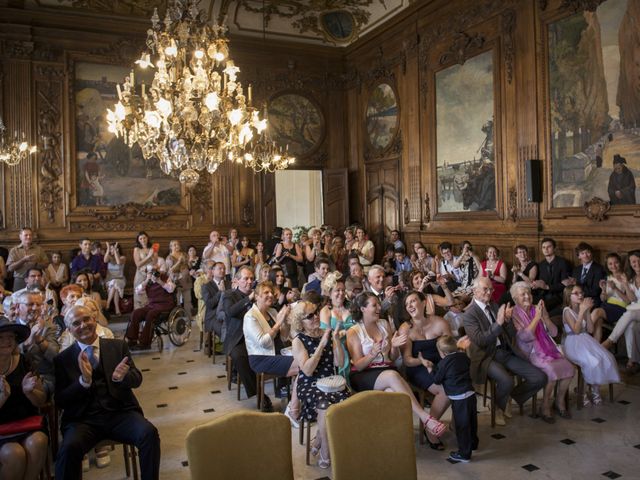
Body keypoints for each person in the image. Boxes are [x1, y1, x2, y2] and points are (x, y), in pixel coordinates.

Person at [54, 305, 161, 480]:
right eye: (76, 323)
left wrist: (122, 378)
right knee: (67, 449)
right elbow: (61, 400)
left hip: (119, 413)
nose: (83, 325)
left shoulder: (117, 347)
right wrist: (83, 382)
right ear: (69, 330)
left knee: (148, 433)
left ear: (95, 320)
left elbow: (137, 379)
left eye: (87, 319)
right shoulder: (63, 359)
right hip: (83, 421)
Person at [346, 292, 447, 438]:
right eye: (374, 305)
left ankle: (392, 438)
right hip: (364, 374)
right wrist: (372, 354)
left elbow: (392, 358)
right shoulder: (354, 332)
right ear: (363, 309)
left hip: (386, 370)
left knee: (392, 394)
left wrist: (393, 347)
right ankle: (426, 418)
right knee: (392, 375)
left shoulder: (384, 324)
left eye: (378, 304)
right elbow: (359, 365)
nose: (379, 308)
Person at [463, 277, 547, 426]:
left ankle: (508, 397)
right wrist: (499, 323)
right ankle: (498, 407)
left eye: (491, 289)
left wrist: (507, 321)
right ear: (475, 291)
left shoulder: (495, 306)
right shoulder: (470, 314)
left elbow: (511, 334)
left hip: (504, 351)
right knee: (506, 381)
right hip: (486, 356)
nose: (489, 292)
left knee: (539, 377)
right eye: (485, 289)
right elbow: (481, 340)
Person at [291, 301, 349, 469]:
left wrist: (336, 339)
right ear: (300, 322)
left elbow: (339, 362)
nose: (316, 317)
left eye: (316, 312)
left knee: (347, 403)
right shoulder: (298, 340)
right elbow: (307, 371)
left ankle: (317, 439)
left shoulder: (327, 333)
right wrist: (322, 345)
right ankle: (325, 450)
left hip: (331, 382)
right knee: (325, 406)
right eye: (310, 316)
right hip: (310, 384)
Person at [511, 282, 575, 422]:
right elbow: (525, 337)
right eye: (523, 294)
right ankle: (544, 406)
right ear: (515, 299)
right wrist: (537, 318)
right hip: (529, 351)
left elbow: (554, 332)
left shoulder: (537, 309)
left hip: (548, 349)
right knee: (551, 371)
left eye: (529, 293)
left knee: (569, 368)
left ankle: (559, 402)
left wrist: (545, 317)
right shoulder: (514, 313)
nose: (527, 296)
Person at [398, 291, 451, 449]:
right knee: (446, 391)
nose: (410, 306)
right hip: (418, 367)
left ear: (423, 303)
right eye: (407, 304)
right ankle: (430, 428)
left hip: (440, 364)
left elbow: (449, 349)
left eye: (413, 301)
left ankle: (459, 423)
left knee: (459, 381)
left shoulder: (440, 322)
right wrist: (420, 361)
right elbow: (406, 359)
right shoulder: (406, 328)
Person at [0, 317, 49, 480]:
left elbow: (41, 400)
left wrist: (29, 392)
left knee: (38, 441)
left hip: (26, 423)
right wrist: (2, 398)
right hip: (1, 430)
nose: (7, 341)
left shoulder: (24, 361)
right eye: (1, 337)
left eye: (11, 337)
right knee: (14, 454)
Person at [243, 281, 298, 412]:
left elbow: (284, 337)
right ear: (256, 296)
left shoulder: (272, 311)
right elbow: (263, 342)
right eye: (266, 293)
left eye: (271, 293)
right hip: (261, 358)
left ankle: (294, 401)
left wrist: (285, 321)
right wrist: (278, 323)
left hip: (279, 353)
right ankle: (294, 406)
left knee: (306, 360)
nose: (271, 295)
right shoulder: (250, 316)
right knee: (304, 365)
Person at [563, 285, 620, 405]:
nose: (580, 295)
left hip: (586, 340)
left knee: (605, 358)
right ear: (569, 296)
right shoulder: (567, 311)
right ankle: (582, 392)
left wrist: (587, 312)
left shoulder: (582, 308)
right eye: (576, 293)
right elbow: (576, 330)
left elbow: (589, 329)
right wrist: (582, 311)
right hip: (573, 343)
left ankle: (594, 391)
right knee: (591, 361)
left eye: (581, 292)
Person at [425, 335, 478, 463]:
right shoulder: (463, 356)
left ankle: (464, 454)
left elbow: (437, 380)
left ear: (442, 353)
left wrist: (430, 369)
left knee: (462, 425)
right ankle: (473, 444)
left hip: (459, 397)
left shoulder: (444, 363)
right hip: (470, 393)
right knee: (472, 421)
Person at [11, 290, 60, 397]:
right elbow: (9, 354)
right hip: (15, 376)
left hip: (43, 378)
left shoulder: (48, 327)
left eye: (38, 304)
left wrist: (39, 339)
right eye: (30, 304)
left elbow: (56, 358)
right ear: (18, 306)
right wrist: (29, 341)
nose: (35, 308)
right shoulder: (10, 327)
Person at [220, 266, 258, 400]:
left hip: (256, 336)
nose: (249, 281)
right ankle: (257, 393)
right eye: (246, 278)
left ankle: (281, 388)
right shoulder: (229, 295)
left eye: (252, 279)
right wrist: (248, 299)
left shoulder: (257, 294)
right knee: (239, 356)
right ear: (237, 280)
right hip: (238, 338)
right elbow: (230, 311)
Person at [602, 250, 640, 374]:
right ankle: (633, 360)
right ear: (630, 264)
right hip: (635, 311)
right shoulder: (633, 279)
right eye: (634, 262)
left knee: (629, 313)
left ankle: (610, 341)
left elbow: (630, 302)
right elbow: (633, 299)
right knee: (631, 325)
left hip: (634, 311)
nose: (637, 264)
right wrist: (626, 285)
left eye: (639, 261)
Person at [126, 263, 175, 350]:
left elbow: (171, 289)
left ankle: (145, 343)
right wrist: (146, 280)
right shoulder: (147, 282)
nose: (153, 274)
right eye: (150, 272)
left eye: (154, 271)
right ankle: (132, 339)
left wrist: (160, 281)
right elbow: (137, 291)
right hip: (152, 305)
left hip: (165, 305)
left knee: (151, 314)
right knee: (136, 313)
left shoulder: (164, 277)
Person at [319, 274, 355, 378]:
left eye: (343, 290)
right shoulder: (326, 311)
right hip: (336, 348)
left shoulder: (351, 307)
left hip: (354, 345)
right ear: (329, 293)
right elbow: (325, 336)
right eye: (337, 290)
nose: (341, 293)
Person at [533, 237, 572, 315]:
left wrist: (547, 287)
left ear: (554, 248)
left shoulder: (563, 263)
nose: (546, 249)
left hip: (558, 295)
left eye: (549, 247)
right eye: (543, 247)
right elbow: (541, 282)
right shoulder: (541, 264)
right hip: (543, 294)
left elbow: (564, 285)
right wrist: (536, 284)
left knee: (541, 309)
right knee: (529, 305)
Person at [568, 242, 607, 307]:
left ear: (591, 253)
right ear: (579, 256)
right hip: (576, 300)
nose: (585, 255)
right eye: (582, 253)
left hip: (591, 299)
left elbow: (595, 291)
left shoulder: (599, 269)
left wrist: (577, 284)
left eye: (587, 252)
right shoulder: (576, 270)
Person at [201, 261, 229, 340]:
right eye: (220, 268)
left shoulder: (229, 284)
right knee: (225, 328)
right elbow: (210, 304)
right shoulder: (206, 286)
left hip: (228, 313)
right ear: (213, 271)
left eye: (224, 269)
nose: (223, 271)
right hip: (213, 317)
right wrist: (220, 292)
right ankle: (227, 349)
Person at [165, 240, 193, 320]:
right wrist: (179, 262)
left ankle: (189, 316)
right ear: (171, 247)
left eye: (177, 244)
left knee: (188, 300)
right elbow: (170, 270)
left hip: (186, 280)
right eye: (174, 245)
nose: (176, 246)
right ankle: (178, 317)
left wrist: (190, 262)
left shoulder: (184, 254)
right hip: (176, 281)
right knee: (177, 300)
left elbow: (189, 266)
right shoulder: (169, 257)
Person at [133, 232, 155, 309]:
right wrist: (148, 256)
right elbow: (138, 264)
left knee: (150, 296)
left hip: (150, 273)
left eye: (144, 238)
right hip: (140, 274)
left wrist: (153, 256)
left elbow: (155, 262)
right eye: (140, 238)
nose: (143, 240)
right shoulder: (137, 249)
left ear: (147, 238)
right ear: (138, 240)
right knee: (140, 295)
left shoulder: (151, 248)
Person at [104, 242, 126, 315]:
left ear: (118, 249)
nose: (111, 250)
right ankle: (117, 309)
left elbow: (118, 262)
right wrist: (108, 249)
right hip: (109, 281)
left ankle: (108, 303)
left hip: (120, 280)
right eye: (111, 249)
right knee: (115, 286)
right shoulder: (109, 257)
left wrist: (115, 251)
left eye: (113, 249)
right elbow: (105, 260)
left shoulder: (123, 258)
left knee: (115, 283)